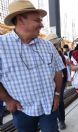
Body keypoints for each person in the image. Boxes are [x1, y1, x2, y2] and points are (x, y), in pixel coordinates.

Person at [0, 1, 65, 132]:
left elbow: (58, 71)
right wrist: (8, 100)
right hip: (22, 110)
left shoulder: (47, 45)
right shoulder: (2, 46)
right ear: (20, 20)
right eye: (37, 20)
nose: (41, 24)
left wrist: (57, 95)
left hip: (49, 106)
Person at [46, 34, 68, 130]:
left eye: (56, 43)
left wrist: (66, 79)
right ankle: (53, 120)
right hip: (50, 80)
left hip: (61, 79)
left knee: (59, 99)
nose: (56, 44)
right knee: (51, 100)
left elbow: (63, 68)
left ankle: (61, 120)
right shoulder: (45, 52)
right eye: (54, 43)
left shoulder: (59, 52)